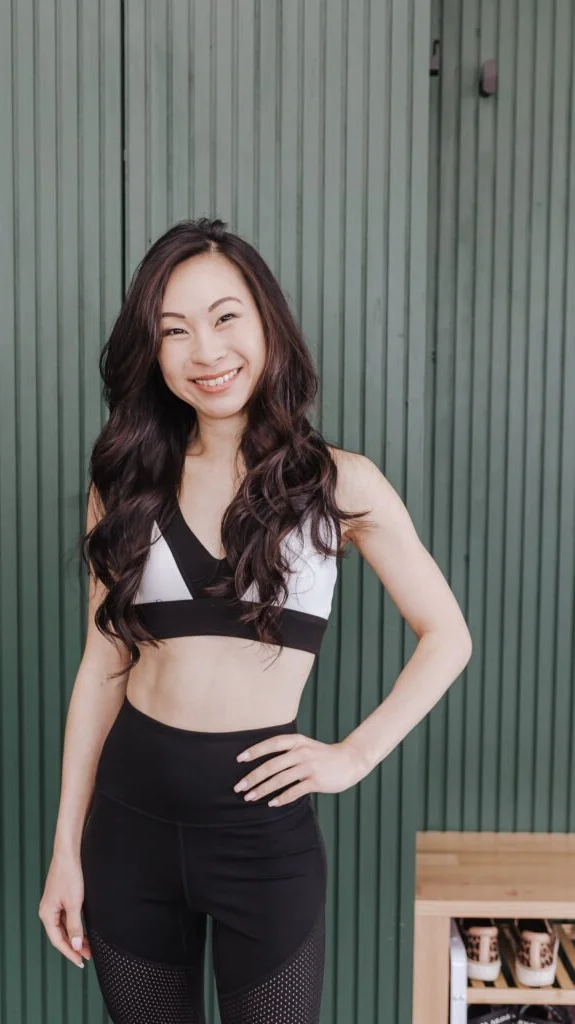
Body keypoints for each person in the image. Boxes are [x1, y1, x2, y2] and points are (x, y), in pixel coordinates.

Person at [38, 217, 473, 1023]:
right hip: (127, 829)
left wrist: (353, 755)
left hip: (260, 839)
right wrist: (66, 851)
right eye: (175, 330)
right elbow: (100, 670)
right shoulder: (126, 486)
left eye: (225, 317)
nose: (205, 351)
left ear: (267, 323)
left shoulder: (340, 484)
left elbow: (448, 635)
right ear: (154, 351)